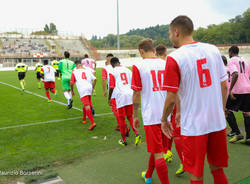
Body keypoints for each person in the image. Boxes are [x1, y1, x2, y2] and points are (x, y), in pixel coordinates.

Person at [161, 16, 228, 184]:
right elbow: (224, 85)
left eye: (170, 33)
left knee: (196, 174)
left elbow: (170, 97)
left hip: (194, 125)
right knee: (217, 170)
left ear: (176, 32)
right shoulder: (213, 49)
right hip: (217, 122)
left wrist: (164, 119)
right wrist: (221, 111)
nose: (170, 37)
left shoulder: (174, 58)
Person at [132, 39, 170, 184]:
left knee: (158, 153)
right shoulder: (165, 63)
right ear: (153, 49)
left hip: (151, 114)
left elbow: (136, 93)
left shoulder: (138, 65)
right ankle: (148, 174)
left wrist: (135, 115)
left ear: (141, 51)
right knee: (158, 149)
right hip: (167, 113)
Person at [108, 57, 142, 146]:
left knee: (122, 118)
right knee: (130, 116)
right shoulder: (128, 70)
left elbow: (111, 87)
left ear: (112, 64)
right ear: (119, 62)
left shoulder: (112, 71)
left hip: (121, 96)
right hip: (130, 94)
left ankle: (123, 140)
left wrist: (109, 98)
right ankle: (137, 133)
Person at [226, 46, 250, 145]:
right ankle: (248, 138)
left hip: (238, 90)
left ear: (231, 52)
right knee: (246, 113)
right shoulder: (245, 60)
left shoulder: (231, 60)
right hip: (247, 89)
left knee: (226, 110)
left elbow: (235, 74)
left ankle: (237, 133)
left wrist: (231, 89)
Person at [70, 60, 97, 131]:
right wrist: (92, 88)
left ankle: (92, 123)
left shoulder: (74, 72)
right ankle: (84, 119)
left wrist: (72, 91)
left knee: (87, 105)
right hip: (89, 88)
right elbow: (95, 79)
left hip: (82, 89)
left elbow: (72, 83)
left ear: (76, 65)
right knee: (85, 104)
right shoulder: (87, 70)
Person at [222, 56, 241, 137]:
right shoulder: (230, 68)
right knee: (229, 111)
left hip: (227, 93)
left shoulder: (221, 70)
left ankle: (235, 131)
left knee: (227, 111)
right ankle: (235, 130)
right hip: (233, 91)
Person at [102, 53, 120, 131]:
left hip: (113, 90)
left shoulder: (105, 68)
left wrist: (104, 91)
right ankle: (121, 124)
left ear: (107, 59)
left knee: (114, 108)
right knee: (120, 107)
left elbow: (103, 80)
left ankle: (121, 125)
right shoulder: (119, 67)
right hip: (122, 89)